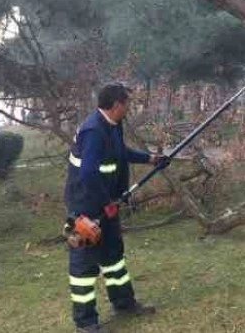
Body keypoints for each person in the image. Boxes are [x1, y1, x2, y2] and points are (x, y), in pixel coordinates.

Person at [63, 83, 169, 333]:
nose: (129, 107)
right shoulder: (93, 131)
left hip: (106, 202)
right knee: (84, 266)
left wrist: (151, 158)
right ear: (116, 105)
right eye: (127, 103)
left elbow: (120, 153)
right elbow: (88, 173)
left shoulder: (112, 125)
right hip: (86, 207)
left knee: (113, 258)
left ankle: (123, 303)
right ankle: (86, 323)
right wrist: (105, 203)